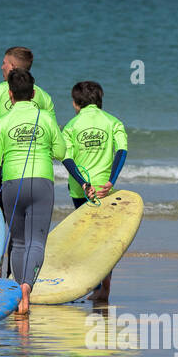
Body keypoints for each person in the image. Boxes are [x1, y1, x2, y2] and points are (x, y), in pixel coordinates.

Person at [0, 68, 65, 315]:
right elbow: (61, 153)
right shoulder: (47, 119)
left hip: (11, 184)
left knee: (18, 242)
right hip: (41, 182)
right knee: (36, 241)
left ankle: (18, 293)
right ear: (33, 93)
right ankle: (27, 288)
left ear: (9, 94)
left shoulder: (2, 122)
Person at [61, 80, 128, 301]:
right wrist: (111, 181)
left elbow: (67, 158)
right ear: (100, 100)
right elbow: (121, 151)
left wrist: (83, 183)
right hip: (104, 189)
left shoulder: (71, 126)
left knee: (86, 238)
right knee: (104, 238)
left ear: (75, 103)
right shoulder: (113, 122)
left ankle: (94, 285)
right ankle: (103, 287)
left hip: (81, 191)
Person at [0, 47, 55, 187]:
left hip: (5, 167)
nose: (2, 67)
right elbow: (53, 138)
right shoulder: (45, 97)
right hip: (39, 170)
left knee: (5, 208)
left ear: (12, 67)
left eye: (4, 63)